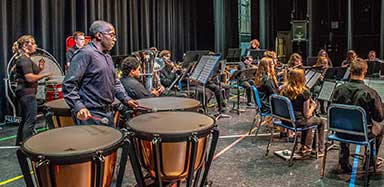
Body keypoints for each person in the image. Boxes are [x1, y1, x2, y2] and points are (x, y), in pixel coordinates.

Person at [63, 20, 137, 126]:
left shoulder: (107, 56)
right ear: (99, 35)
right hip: (91, 115)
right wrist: (79, 106)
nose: (114, 39)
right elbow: (69, 84)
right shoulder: (85, 54)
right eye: (111, 35)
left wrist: (126, 98)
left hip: (108, 113)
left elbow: (115, 82)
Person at [332, 58, 384, 172]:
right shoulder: (370, 93)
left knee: (345, 121)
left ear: (350, 71)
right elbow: (379, 117)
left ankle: (343, 160)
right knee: (381, 128)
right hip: (362, 134)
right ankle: (370, 162)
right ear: (365, 72)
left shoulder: (338, 89)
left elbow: (330, 110)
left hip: (341, 132)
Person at [13, 35, 51, 145]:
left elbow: (32, 74)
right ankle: (27, 145)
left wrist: (40, 68)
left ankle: (20, 142)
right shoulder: (24, 59)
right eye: (32, 43)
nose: (35, 45)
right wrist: (46, 74)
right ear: (25, 46)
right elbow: (29, 78)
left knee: (25, 119)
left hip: (26, 93)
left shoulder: (26, 58)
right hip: (26, 93)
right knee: (30, 120)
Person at [280, 68, 326, 156]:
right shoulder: (304, 92)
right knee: (321, 121)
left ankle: (304, 146)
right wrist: (313, 107)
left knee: (309, 120)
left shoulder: (284, 89)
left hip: (285, 120)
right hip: (297, 122)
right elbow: (307, 114)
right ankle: (318, 150)